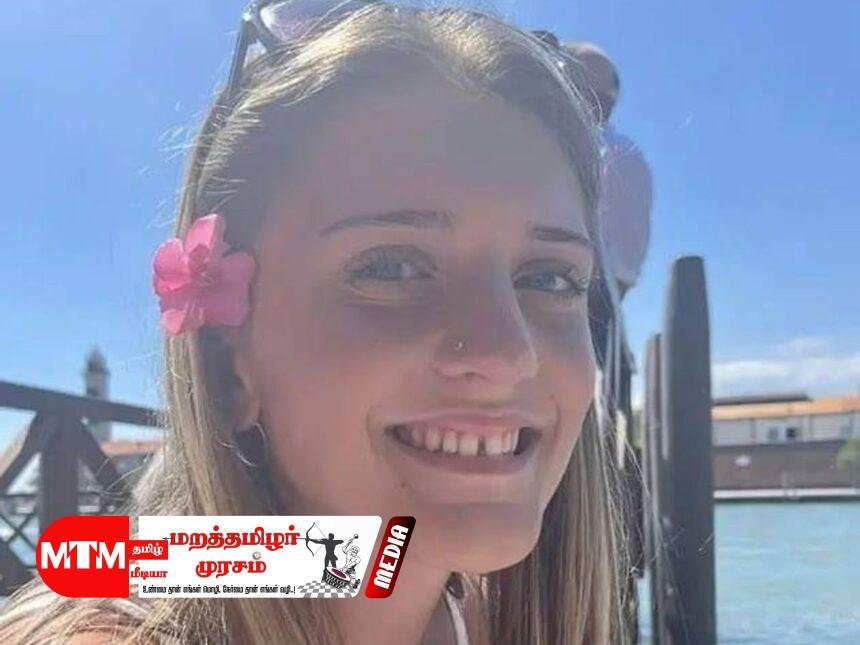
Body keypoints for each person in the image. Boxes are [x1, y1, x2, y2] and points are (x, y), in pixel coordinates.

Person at [0, 2, 631, 643]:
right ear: (228, 357)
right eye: (390, 268)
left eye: (550, 278)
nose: (508, 352)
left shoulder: (481, 616)